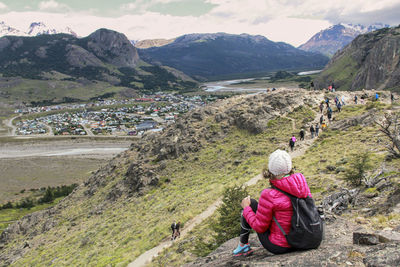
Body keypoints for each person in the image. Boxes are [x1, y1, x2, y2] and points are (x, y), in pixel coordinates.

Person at [233, 149, 312, 256]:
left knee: (251, 203)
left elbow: (259, 227)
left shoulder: (269, 194)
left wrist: (246, 208)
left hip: (281, 246)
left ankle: (243, 245)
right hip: (305, 239)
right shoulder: (301, 183)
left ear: (271, 170)